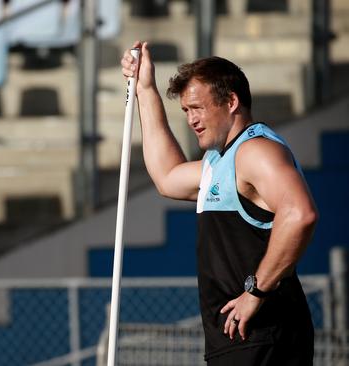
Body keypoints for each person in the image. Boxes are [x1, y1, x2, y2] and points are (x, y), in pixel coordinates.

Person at [120, 42, 317, 365]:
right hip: (237, 340)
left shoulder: (256, 151)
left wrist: (255, 292)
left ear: (231, 101)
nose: (191, 119)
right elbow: (168, 177)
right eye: (185, 111)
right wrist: (145, 89)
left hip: (264, 337)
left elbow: (300, 213)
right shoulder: (219, 161)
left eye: (197, 107)